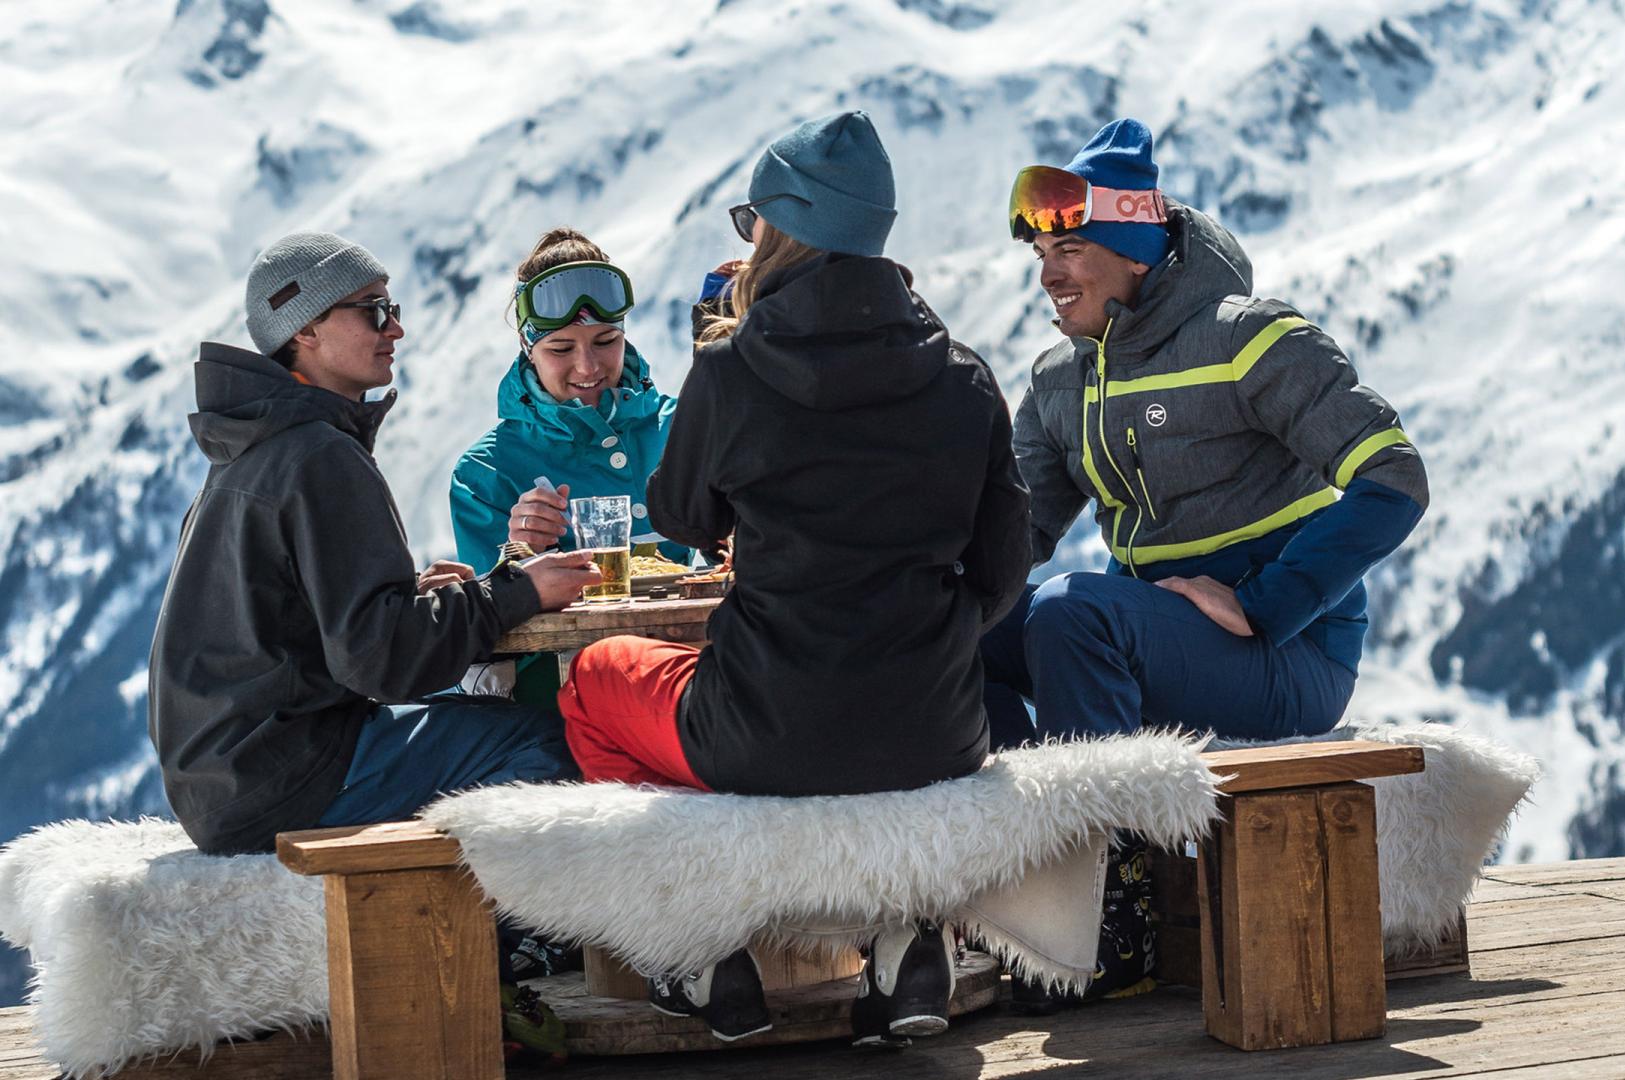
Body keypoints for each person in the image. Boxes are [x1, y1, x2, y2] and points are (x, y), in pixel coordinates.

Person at [556, 111, 1030, 1046]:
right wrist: (925, 635)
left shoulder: (733, 371)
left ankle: (700, 947)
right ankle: (903, 936)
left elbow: (682, 517)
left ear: (781, 232)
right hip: (935, 727)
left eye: (752, 223)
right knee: (876, 744)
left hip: (763, 726)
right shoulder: (964, 377)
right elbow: (1006, 566)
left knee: (592, 684)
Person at [983, 119, 1431, 1004]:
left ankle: (1118, 907)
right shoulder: (1059, 379)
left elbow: (1395, 477)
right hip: (1145, 644)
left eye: (1072, 248)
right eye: (1043, 253)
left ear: (1136, 254)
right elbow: (1011, 540)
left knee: (1074, 612)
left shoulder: (1250, 339)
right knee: (964, 639)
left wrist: (1267, 604)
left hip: (1284, 657)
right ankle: (1029, 892)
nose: (1049, 272)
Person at [147, 231, 605, 1061]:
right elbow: (382, 662)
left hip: (227, 772)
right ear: (306, 332)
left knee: (486, 729)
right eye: (375, 311)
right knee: (558, 744)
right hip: (288, 776)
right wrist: (517, 592)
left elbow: (326, 624)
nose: (396, 328)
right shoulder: (320, 454)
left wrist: (421, 597)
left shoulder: (261, 446)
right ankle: (508, 959)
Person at [449, 228, 690, 703]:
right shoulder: (488, 472)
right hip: (561, 707)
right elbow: (489, 651)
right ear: (528, 348)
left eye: (606, 340)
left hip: (691, 676)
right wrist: (516, 560)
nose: (588, 367)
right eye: (560, 349)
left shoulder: (684, 427)